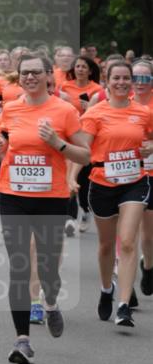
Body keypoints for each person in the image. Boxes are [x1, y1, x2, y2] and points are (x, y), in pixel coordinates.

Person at [0, 52, 89, 364]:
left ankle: (50, 302)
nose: (30, 77)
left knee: (48, 268)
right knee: (20, 266)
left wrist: (57, 143)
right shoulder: (11, 109)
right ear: (19, 76)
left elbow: (85, 155)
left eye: (36, 72)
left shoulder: (64, 111)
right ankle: (22, 340)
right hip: (13, 195)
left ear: (48, 75)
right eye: (25, 72)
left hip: (51, 198)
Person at [72, 59, 153, 327]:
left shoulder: (143, 112)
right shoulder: (95, 113)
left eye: (126, 78)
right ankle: (107, 288)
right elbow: (82, 151)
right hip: (102, 183)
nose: (121, 82)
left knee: (128, 242)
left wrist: (150, 148)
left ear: (132, 82)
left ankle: (124, 305)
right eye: (116, 78)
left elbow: (151, 139)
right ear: (106, 81)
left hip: (135, 180)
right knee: (107, 246)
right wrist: (71, 177)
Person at [60, 56, 101, 236]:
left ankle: (85, 210)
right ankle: (69, 218)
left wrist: (89, 108)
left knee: (83, 180)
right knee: (68, 177)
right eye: (77, 66)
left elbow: (100, 115)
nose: (80, 70)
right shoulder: (65, 87)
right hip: (68, 136)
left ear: (90, 71)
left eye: (84, 67)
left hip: (86, 138)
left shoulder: (97, 89)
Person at [132, 58, 153, 295]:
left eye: (145, 78)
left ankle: (148, 267)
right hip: (127, 174)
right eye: (135, 77)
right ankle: (126, 290)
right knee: (127, 233)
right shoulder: (122, 103)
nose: (140, 82)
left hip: (151, 173)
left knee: (148, 234)